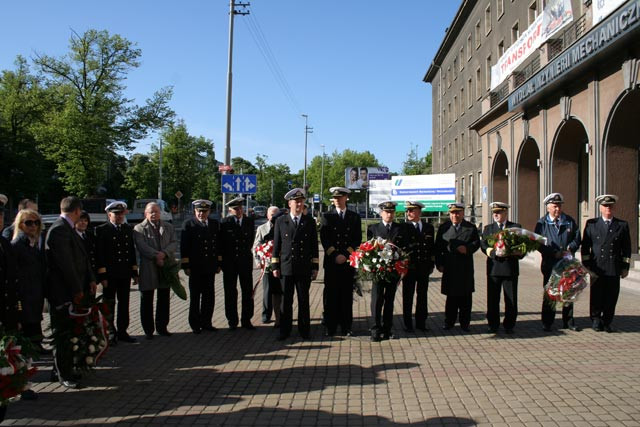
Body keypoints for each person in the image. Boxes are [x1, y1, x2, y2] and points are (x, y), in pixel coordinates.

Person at [45, 196, 96, 388]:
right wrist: (76, 289)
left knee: (67, 333)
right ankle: (62, 374)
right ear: (76, 211)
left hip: (72, 291)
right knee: (62, 335)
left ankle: (63, 369)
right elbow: (66, 265)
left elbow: (81, 258)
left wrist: (90, 279)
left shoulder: (67, 229)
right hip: (63, 293)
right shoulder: (59, 230)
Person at [271, 189, 319, 340]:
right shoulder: (280, 221)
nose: (298, 204)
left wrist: (315, 266)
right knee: (286, 301)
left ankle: (304, 330)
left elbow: (314, 247)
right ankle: (285, 331)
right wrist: (275, 266)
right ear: (289, 203)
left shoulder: (309, 222)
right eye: (296, 201)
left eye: (301, 201)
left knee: (303, 300)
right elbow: (276, 246)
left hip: (303, 267)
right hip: (286, 267)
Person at [581, 194, 631, 333]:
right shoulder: (592, 224)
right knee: (597, 295)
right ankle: (596, 319)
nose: (608, 208)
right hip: (597, 266)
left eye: (610, 206)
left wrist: (625, 267)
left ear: (614, 207)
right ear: (600, 208)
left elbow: (626, 248)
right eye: (605, 206)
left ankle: (607, 321)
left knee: (611, 296)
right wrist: (586, 264)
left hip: (613, 266)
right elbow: (586, 246)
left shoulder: (622, 225)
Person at [535, 192, 581, 332]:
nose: (557, 209)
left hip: (567, 263)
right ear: (548, 207)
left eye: (559, 206)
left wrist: (570, 248)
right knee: (550, 293)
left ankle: (568, 321)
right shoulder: (542, 224)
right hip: (550, 263)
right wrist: (552, 253)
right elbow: (538, 243)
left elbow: (577, 238)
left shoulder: (569, 221)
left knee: (568, 292)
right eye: (554, 206)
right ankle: (547, 322)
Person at [320, 187, 361, 336]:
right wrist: (335, 255)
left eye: (340, 197)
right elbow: (324, 238)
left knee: (346, 295)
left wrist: (345, 254)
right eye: (335, 198)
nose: (337, 200)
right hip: (332, 262)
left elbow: (357, 239)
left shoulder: (354, 217)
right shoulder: (326, 216)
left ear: (346, 198)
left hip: (347, 261)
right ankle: (330, 327)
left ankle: (346, 326)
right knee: (331, 295)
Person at [95, 202, 138, 344]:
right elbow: (99, 255)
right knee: (109, 304)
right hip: (110, 275)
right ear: (109, 215)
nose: (119, 216)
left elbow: (131, 251)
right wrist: (102, 275)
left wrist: (134, 272)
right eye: (116, 214)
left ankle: (122, 331)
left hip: (124, 273)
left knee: (124, 303)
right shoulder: (102, 230)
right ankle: (110, 332)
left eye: (121, 214)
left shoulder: (127, 229)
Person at [133, 202, 177, 339]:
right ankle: (148, 330)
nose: (154, 214)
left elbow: (174, 243)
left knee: (164, 297)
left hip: (165, 265)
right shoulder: (139, 228)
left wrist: (164, 254)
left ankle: (162, 327)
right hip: (148, 266)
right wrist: (156, 256)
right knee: (147, 298)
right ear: (145, 213)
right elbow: (141, 246)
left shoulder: (168, 227)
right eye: (151, 212)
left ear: (160, 213)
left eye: (156, 212)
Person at [435, 203, 480, 332]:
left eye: (458, 213)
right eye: (453, 213)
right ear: (449, 214)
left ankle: (465, 323)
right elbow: (438, 247)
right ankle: (449, 322)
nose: (455, 215)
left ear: (463, 213)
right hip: (450, 267)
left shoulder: (470, 228)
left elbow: (476, 243)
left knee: (466, 297)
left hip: (464, 267)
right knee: (451, 297)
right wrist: (439, 264)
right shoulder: (444, 228)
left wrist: (467, 249)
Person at [480, 202, 523, 334]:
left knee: (510, 298)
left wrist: (511, 252)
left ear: (505, 213)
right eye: (494, 213)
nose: (496, 215)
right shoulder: (488, 229)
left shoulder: (515, 227)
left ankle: (509, 325)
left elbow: (522, 247)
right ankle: (493, 324)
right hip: (494, 268)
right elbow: (483, 245)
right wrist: (493, 252)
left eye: (499, 212)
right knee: (493, 299)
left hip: (510, 268)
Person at [180, 199, 221, 334]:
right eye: (199, 211)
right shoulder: (189, 225)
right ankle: (195, 324)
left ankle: (206, 322)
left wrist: (218, 263)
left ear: (209, 212)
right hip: (195, 268)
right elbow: (184, 247)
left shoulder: (214, 224)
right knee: (195, 297)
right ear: (195, 211)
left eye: (204, 211)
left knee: (209, 297)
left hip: (209, 266)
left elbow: (218, 246)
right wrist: (186, 265)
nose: (201, 214)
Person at [366, 201, 405, 341]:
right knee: (376, 300)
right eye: (386, 212)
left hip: (393, 270)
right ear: (381, 213)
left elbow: (403, 249)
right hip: (379, 270)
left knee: (390, 300)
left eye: (392, 212)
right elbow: (368, 249)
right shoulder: (373, 228)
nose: (389, 214)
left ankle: (388, 328)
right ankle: (375, 329)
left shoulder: (400, 228)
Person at [10, 209, 46, 349]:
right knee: (27, 319)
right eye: (29, 223)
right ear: (20, 225)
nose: (33, 226)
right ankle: (30, 346)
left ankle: (36, 343)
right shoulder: (17, 245)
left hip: (35, 288)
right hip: (25, 290)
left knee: (35, 318)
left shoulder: (34, 243)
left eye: (36, 222)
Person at [220, 197, 256, 330]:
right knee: (230, 292)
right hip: (229, 263)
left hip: (245, 262)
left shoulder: (249, 222)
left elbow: (250, 241)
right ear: (230, 210)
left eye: (240, 208)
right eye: (235, 209)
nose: (239, 211)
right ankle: (232, 320)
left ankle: (246, 319)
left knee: (247, 292)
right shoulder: (225, 223)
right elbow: (222, 244)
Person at [400, 201, 435, 333]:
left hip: (423, 267)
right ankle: (408, 324)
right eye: (407, 210)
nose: (408, 213)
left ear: (419, 212)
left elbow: (431, 248)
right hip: (409, 267)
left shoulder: (428, 227)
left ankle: (421, 322)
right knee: (407, 296)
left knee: (422, 295)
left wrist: (432, 264)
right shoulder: (403, 227)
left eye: (412, 210)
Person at [252, 206, 282, 326]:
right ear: (267, 215)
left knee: (279, 291)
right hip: (267, 265)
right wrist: (259, 261)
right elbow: (256, 246)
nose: (273, 217)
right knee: (267, 291)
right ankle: (266, 315)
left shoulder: (282, 226)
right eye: (271, 215)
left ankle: (280, 316)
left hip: (280, 264)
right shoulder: (261, 228)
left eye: (276, 214)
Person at [75, 210, 98, 280]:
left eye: (85, 221)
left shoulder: (90, 235)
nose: (83, 223)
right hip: (79, 275)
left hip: (91, 274)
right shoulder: (72, 236)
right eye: (80, 220)